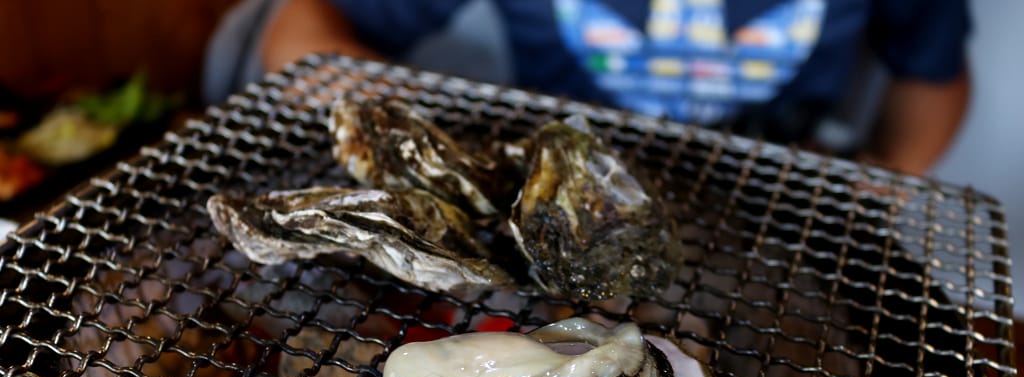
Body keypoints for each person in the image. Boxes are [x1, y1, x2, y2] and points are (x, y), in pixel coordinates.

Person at [203, 0, 971, 176]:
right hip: (544, 167)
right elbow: (299, 33)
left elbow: (932, 77)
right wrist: (443, 164)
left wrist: (882, 178)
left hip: (756, 186)